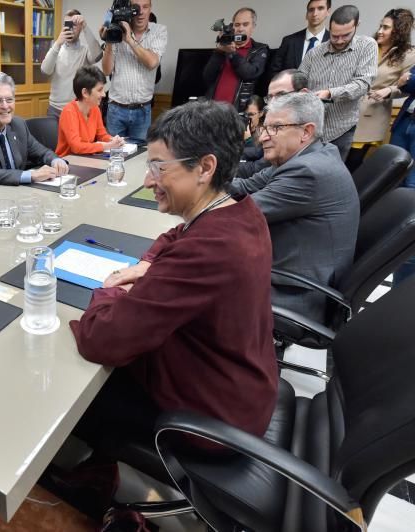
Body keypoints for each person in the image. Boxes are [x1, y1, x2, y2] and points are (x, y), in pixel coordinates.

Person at [70, 100, 278, 449]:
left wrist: (111, 288)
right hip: (241, 385)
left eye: (159, 167)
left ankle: (95, 478)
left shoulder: (208, 250)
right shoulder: (239, 212)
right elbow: (176, 235)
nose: (149, 180)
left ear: (205, 167)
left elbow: (100, 338)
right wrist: (148, 265)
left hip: (212, 417)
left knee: (77, 395)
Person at [231, 92, 359, 322]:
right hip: (290, 269)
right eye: (265, 128)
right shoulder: (309, 155)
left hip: (295, 293)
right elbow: (246, 186)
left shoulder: (308, 172)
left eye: (276, 128)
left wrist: (187, 189)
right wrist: (203, 175)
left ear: (306, 131)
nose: (263, 138)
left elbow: (238, 217)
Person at [0, 71, 69, 194]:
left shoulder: (18, 124)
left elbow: (42, 152)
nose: (5, 106)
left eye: (9, 100)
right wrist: (30, 175)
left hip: (11, 194)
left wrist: (56, 161)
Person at [298, 4, 377, 161]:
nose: (339, 40)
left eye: (346, 35)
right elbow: (299, 77)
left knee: (329, 174)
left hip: (341, 129)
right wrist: (298, 88)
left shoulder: (367, 46)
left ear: (357, 25)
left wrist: (330, 93)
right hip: (311, 127)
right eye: (334, 36)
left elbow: (362, 83)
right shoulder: (315, 53)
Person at [348, 8, 415, 171]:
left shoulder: (409, 55)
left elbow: (407, 87)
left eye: (386, 28)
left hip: (372, 115)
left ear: (398, 31)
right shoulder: (367, 45)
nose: (380, 31)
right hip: (347, 110)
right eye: (380, 26)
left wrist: (389, 90)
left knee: (352, 163)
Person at [101, 0, 167, 143]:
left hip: (143, 110)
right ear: (129, 9)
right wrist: (109, 41)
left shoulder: (159, 31)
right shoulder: (117, 29)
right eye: (136, 8)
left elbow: (152, 63)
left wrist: (129, 40)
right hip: (116, 109)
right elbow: (106, 71)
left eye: (145, 7)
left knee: (139, 159)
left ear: (150, 9)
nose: (141, 12)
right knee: (113, 156)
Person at [236, 69, 310, 179]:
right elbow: (257, 153)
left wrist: (217, 166)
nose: (273, 103)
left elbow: (255, 170)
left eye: (281, 95)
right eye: (270, 97)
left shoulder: (295, 129)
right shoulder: (277, 123)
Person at [202, 7, 269, 112]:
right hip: (212, 111)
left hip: (238, 112)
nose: (240, 29)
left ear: (253, 27)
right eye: (237, 25)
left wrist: (232, 53)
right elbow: (207, 77)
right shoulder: (223, 48)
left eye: (245, 24)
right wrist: (219, 52)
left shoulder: (260, 50)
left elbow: (250, 74)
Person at [41, 9, 102, 120]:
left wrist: (85, 27)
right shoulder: (56, 49)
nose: (70, 28)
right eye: (67, 24)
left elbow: (98, 56)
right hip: (55, 109)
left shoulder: (85, 51)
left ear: (80, 27)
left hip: (78, 109)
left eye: (74, 24)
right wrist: (58, 42)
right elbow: (45, 70)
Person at [55, 66, 124, 157]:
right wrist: (105, 146)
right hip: (67, 162)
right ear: (85, 93)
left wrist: (113, 140)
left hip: (86, 158)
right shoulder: (69, 111)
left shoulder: (95, 109)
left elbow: (102, 135)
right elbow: (76, 147)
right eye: (99, 90)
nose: (103, 94)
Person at [391, 65, 415, 285]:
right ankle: (394, 239)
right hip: (405, 122)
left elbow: (409, 81)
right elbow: (404, 82)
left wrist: (410, 79)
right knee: (397, 183)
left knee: (412, 188)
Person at [269, 0, 331, 76]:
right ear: (306, 15)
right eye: (311, 10)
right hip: (290, 87)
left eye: (320, 8)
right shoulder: (289, 41)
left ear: (328, 12)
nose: (315, 14)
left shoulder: (335, 42)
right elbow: (273, 72)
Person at [242, 94, 265, 162]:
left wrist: (248, 140)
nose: (248, 118)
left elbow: (257, 159)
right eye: (246, 114)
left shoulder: (264, 133)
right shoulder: (242, 127)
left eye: (251, 114)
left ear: (261, 113)